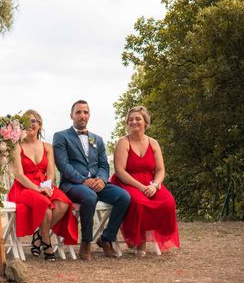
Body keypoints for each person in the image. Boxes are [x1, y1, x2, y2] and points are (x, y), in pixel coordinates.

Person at [53, 100, 130, 261]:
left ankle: (106, 238)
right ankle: (86, 241)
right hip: (73, 184)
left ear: (89, 115)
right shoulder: (61, 137)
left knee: (124, 197)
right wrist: (83, 180)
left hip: (97, 183)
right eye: (79, 112)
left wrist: (102, 179)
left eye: (85, 112)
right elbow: (63, 165)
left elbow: (103, 164)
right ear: (71, 115)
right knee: (89, 197)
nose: (82, 115)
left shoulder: (98, 139)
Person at [7, 110, 78, 261]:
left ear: (39, 125)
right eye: (26, 122)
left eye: (33, 121)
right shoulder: (16, 147)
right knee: (45, 204)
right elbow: (18, 175)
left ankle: (38, 234)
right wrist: (37, 189)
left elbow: (51, 172)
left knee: (63, 203)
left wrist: (47, 186)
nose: (30, 125)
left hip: (44, 184)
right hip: (24, 187)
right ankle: (46, 241)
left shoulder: (48, 147)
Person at [109, 106, 180, 256]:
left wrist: (155, 185)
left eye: (138, 119)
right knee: (139, 202)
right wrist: (141, 187)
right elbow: (120, 171)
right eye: (131, 119)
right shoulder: (123, 142)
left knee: (168, 202)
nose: (134, 122)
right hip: (127, 182)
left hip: (150, 182)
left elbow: (160, 170)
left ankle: (155, 237)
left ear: (146, 123)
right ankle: (139, 241)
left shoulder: (154, 143)